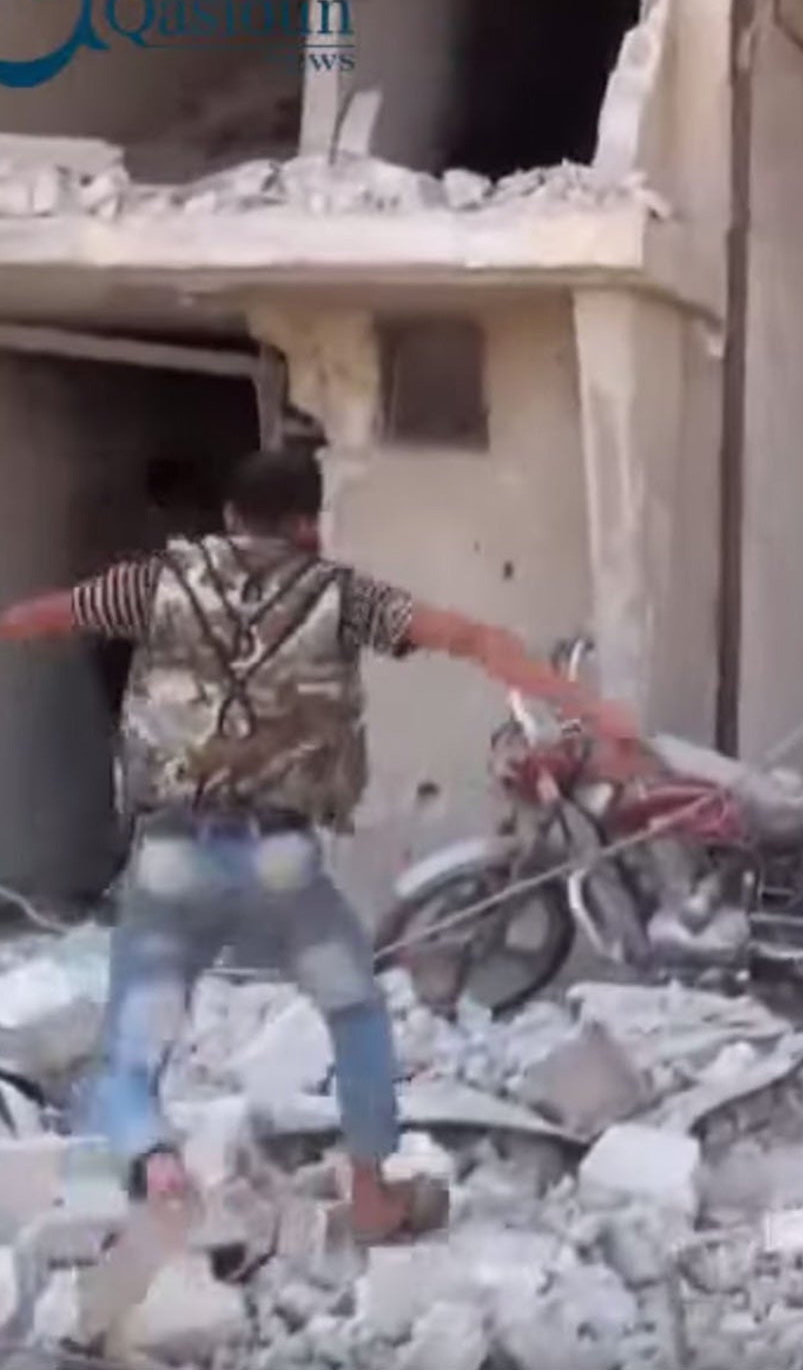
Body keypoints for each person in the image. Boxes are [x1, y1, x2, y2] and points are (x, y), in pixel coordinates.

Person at [0, 446, 642, 1243]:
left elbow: (38, 618)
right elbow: (473, 638)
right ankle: (372, 1197)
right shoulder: (344, 597)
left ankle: (145, 1181)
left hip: (170, 858)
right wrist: (590, 708)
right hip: (281, 860)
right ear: (309, 525)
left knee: (130, 1057)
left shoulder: (153, 583)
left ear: (230, 518)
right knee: (354, 1009)